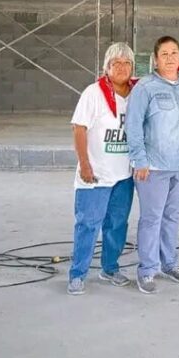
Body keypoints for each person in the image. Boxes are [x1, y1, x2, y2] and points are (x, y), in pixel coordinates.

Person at [125, 36, 179, 295]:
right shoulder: (145, 87)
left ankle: (169, 263)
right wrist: (140, 160)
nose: (169, 58)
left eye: (174, 53)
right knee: (151, 218)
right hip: (154, 166)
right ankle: (147, 269)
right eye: (164, 54)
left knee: (171, 216)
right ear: (155, 59)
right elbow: (133, 125)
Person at [67, 42, 136, 295]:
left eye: (127, 63)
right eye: (116, 63)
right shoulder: (93, 93)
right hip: (96, 175)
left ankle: (110, 267)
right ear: (106, 67)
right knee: (88, 224)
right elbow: (79, 128)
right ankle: (77, 274)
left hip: (124, 175)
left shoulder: (137, 93)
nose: (122, 68)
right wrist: (85, 164)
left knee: (117, 225)